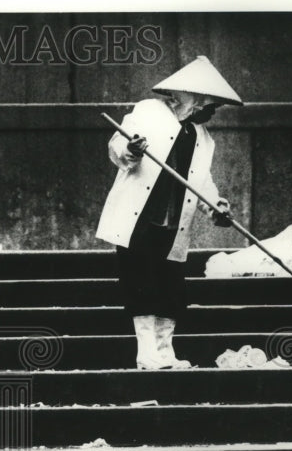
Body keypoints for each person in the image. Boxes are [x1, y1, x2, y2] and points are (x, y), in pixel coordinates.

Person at [96, 55, 241, 369]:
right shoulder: (148, 112)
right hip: (139, 218)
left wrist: (215, 205)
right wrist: (131, 149)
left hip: (174, 223)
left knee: (171, 288)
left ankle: (165, 352)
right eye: (211, 105)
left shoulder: (202, 138)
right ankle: (146, 353)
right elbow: (117, 146)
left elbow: (203, 181)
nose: (213, 112)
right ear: (195, 99)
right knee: (141, 284)